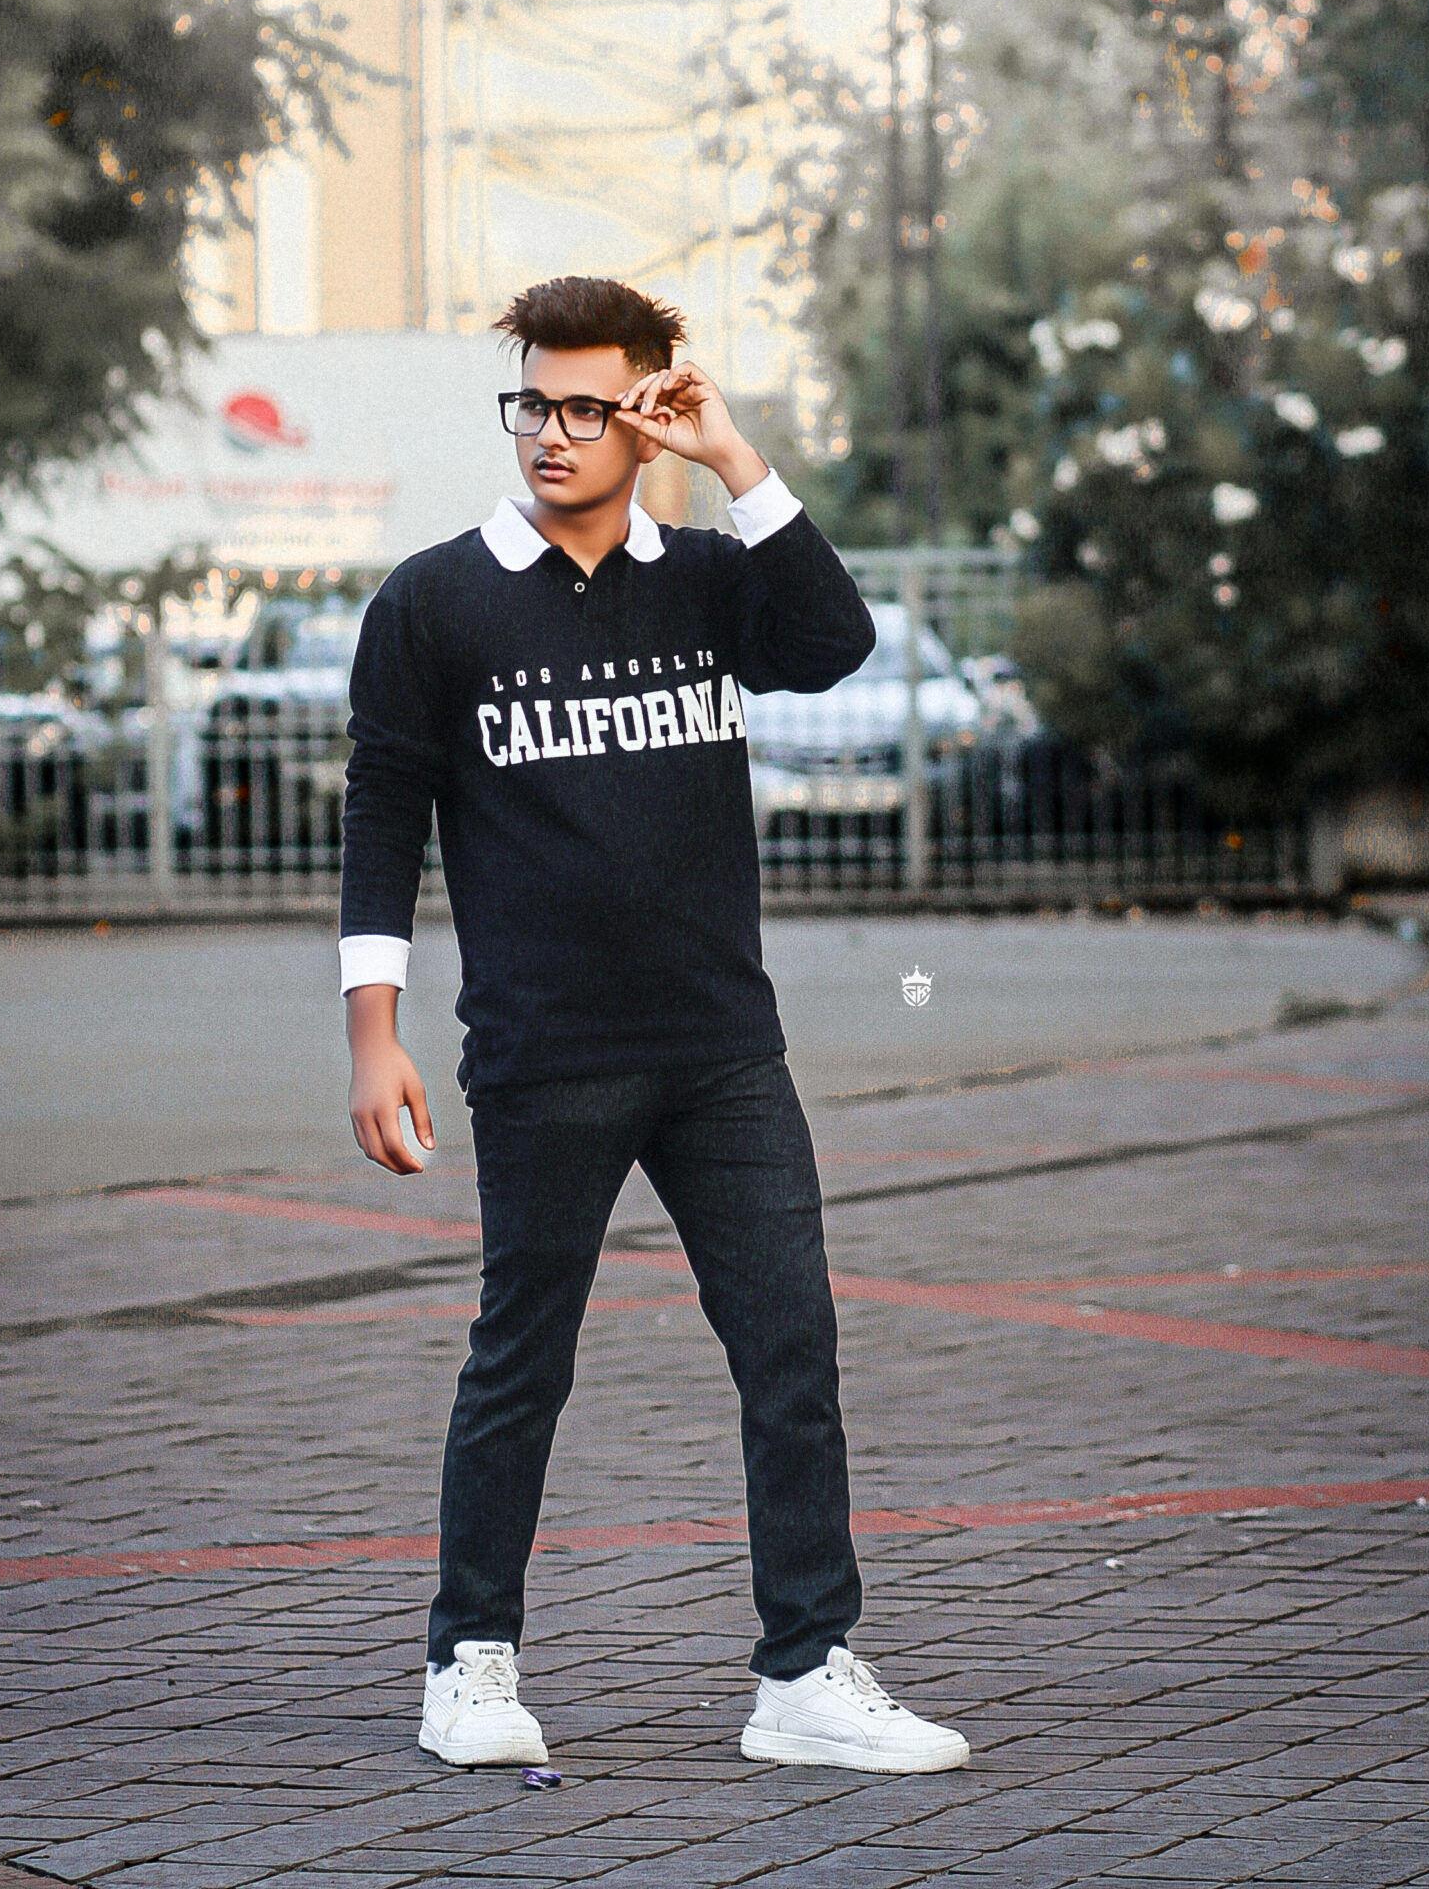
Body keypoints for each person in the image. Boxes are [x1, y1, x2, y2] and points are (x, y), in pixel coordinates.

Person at [339, 274, 970, 1776]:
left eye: (587, 406)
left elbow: (835, 640)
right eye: (533, 404)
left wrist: (735, 457)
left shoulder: (704, 580)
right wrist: (374, 1030)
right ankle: (469, 1663)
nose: (552, 433)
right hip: (544, 1054)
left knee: (791, 1346)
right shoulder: (434, 601)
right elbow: (383, 814)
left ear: (645, 415)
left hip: (723, 1051)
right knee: (522, 1358)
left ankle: (804, 1672)